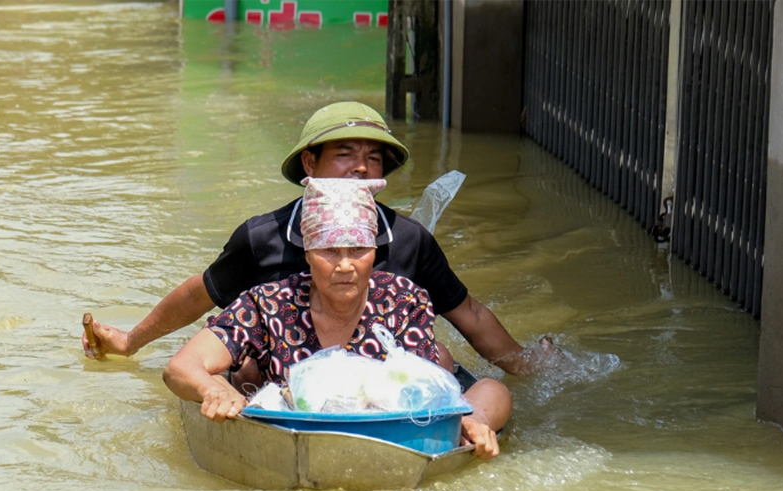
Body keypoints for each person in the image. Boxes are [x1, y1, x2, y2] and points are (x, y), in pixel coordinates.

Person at [83, 101, 559, 376]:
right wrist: (132, 341)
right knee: (246, 368)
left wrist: (525, 368)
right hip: (284, 378)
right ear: (309, 165)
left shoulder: (409, 240)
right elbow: (199, 293)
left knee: (444, 360)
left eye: (373, 158)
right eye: (344, 153)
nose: (359, 167)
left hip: (384, 381)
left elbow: (468, 312)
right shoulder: (264, 236)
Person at [162, 177, 511, 460]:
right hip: (293, 433)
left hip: (387, 436)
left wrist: (468, 420)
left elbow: (418, 392)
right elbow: (180, 367)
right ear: (308, 254)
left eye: (358, 251)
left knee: (489, 389)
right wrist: (213, 389)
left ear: (374, 254)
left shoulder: (404, 300)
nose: (345, 266)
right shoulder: (269, 302)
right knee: (236, 377)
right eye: (330, 252)